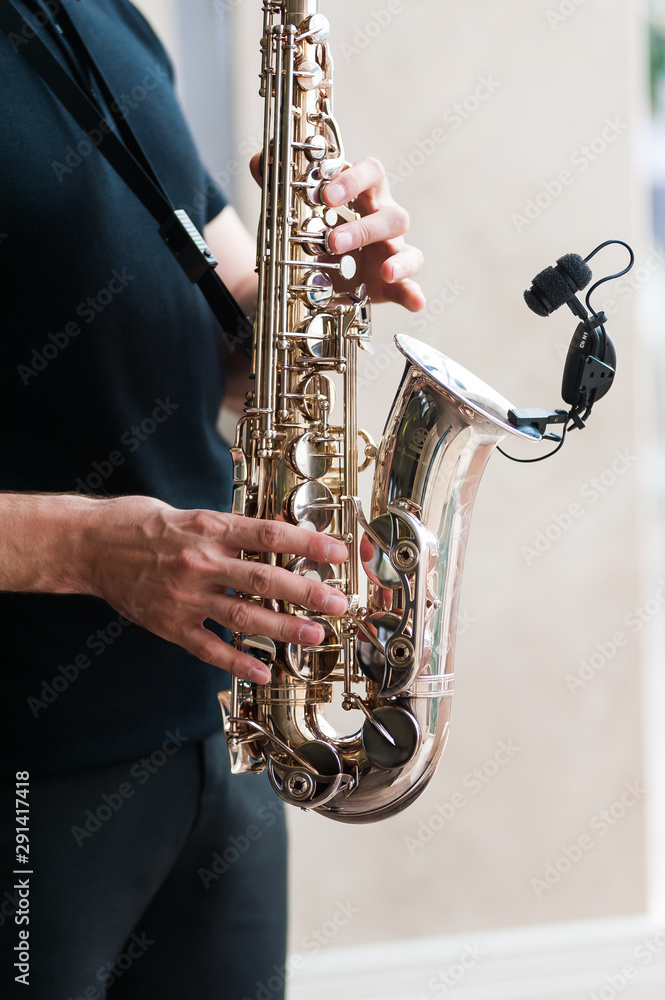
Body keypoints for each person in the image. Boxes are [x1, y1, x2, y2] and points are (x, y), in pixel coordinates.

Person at [0, 1, 424, 997]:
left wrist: (319, 284)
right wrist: (84, 548)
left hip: (215, 742)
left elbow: (212, 324)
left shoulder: (94, 16)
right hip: (32, 768)